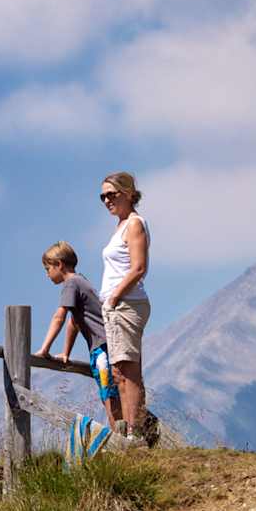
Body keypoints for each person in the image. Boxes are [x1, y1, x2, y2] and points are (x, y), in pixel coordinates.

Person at [34, 241, 124, 433]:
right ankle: (122, 435)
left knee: (108, 393)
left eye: (48, 268)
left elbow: (60, 317)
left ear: (59, 264)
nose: (46, 274)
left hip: (102, 347)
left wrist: (44, 349)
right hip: (107, 344)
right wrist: (66, 352)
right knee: (109, 391)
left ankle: (120, 439)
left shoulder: (71, 284)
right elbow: (74, 322)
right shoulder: (81, 281)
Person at [98, 171, 152, 445]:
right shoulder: (120, 225)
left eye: (112, 194)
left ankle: (135, 433)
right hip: (117, 305)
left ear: (128, 193)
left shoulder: (134, 224)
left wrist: (115, 296)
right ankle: (129, 430)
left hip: (126, 304)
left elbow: (139, 267)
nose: (107, 200)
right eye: (103, 196)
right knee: (119, 370)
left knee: (129, 369)